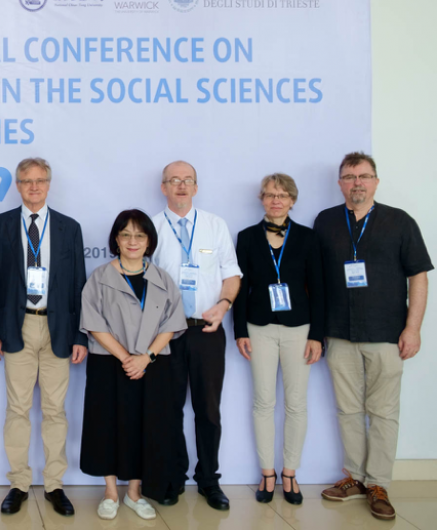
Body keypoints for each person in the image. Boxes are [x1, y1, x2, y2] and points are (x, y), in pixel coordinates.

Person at [315, 152, 431, 520]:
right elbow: (314, 278)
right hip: (339, 333)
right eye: (349, 177)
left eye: (364, 176)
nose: (357, 183)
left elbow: (419, 277)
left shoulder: (400, 221)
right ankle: (356, 477)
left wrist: (413, 328)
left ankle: (378, 483)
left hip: (386, 334)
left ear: (376, 182)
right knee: (348, 410)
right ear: (340, 183)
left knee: (382, 412)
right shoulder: (326, 221)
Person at [0, 158, 87, 516]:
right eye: (26, 181)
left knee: (56, 411)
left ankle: (55, 485)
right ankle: (19, 483)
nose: (33, 187)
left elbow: (78, 286)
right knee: (17, 409)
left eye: (40, 180)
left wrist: (80, 336)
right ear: (17, 185)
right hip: (17, 326)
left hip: (58, 328)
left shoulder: (69, 227)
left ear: (49, 184)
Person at [79, 210, 187, 520]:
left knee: (146, 426)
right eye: (125, 234)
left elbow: (172, 322)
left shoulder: (162, 278)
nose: (132, 241)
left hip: (151, 366)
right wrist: (127, 358)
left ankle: (135, 493)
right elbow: (93, 322)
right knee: (107, 425)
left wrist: (146, 357)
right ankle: (111, 492)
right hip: (108, 364)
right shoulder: (100, 276)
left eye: (140, 235)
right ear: (116, 239)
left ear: (149, 241)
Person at [150, 161, 242, 510]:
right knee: (168, 410)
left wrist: (223, 304)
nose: (181, 186)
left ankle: (209, 480)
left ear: (196, 187)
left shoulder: (215, 226)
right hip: (166, 334)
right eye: (174, 181)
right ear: (164, 187)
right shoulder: (153, 228)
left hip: (207, 330)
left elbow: (231, 275)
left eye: (188, 181)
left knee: (208, 410)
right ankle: (172, 478)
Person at [233, 173, 324, 505]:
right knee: (263, 402)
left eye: (283, 195)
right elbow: (239, 287)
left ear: (292, 201)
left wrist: (317, 335)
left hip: (300, 328)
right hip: (259, 327)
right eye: (270, 194)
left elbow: (319, 289)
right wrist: (240, 330)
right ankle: (267, 473)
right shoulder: (245, 237)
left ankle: (290, 472)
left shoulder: (308, 238)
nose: (276, 200)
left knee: (297, 403)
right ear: (261, 199)